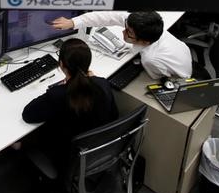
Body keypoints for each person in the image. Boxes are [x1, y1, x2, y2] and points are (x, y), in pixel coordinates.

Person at [21, 38, 118, 174]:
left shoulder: (58, 94)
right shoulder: (103, 84)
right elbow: (115, 115)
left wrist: (59, 88)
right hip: (99, 149)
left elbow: (28, 115)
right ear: (88, 63)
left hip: (67, 157)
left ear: (61, 64)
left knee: (23, 140)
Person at [51, 11, 192, 79]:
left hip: (176, 77)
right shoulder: (140, 25)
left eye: (129, 33)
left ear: (144, 41)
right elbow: (103, 17)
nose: (123, 32)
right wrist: (73, 22)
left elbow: (156, 76)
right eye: (125, 27)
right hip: (183, 54)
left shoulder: (151, 58)